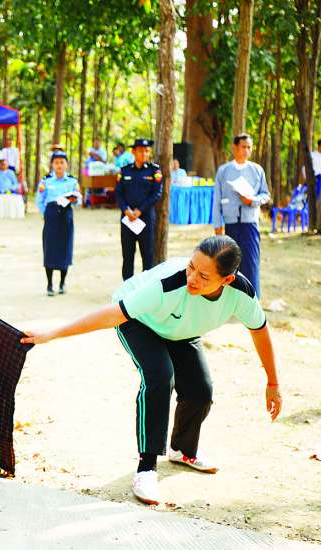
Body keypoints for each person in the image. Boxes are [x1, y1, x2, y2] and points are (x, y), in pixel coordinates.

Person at [21, 235, 282, 506]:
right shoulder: (169, 284)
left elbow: (260, 331)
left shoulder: (241, 294)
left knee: (200, 391)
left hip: (180, 330)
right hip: (138, 321)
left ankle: (182, 450)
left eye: (204, 276)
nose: (192, 278)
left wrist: (273, 383)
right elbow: (112, 315)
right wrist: (52, 333)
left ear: (226, 280)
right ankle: (146, 469)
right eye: (191, 266)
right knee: (159, 375)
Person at [211, 133, 270, 297]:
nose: (246, 150)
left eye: (249, 147)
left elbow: (265, 195)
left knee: (251, 263)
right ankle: (231, 299)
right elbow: (216, 201)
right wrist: (217, 225)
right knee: (229, 264)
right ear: (235, 147)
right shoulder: (224, 171)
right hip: (230, 225)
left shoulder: (257, 170)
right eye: (243, 147)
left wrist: (252, 200)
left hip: (250, 224)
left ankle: (253, 298)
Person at [116, 138, 163, 280]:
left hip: (145, 219)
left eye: (147, 151)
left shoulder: (154, 170)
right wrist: (126, 210)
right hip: (127, 219)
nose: (144, 154)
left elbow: (157, 194)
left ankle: (146, 288)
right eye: (141, 151)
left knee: (148, 257)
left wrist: (140, 210)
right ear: (133, 152)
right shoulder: (124, 170)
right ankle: (127, 287)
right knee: (127, 256)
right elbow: (118, 193)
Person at [36, 151, 81, 296]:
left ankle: (62, 283)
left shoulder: (72, 181)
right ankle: (49, 284)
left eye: (62, 162)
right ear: (52, 165)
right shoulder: (46, 181)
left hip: (66, 216)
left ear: (66, 164)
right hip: (51, 216)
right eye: (56, 162)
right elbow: (39, 199)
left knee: (65, 248)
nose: (59, 165)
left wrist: (75, 200)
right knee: (49, 249)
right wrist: (46, 213)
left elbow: (79, 200)